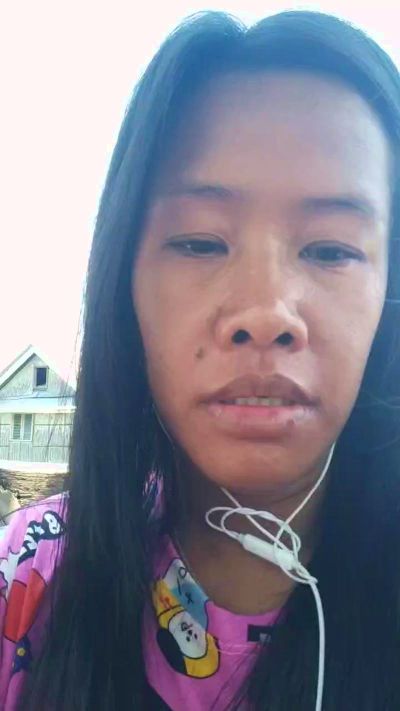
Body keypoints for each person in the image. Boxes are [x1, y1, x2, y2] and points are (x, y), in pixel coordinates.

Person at [0, 9, 399, 710]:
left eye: (331, 249)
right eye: (200, 243)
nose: (265, 313)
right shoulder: (30, 575)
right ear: (124, 282)